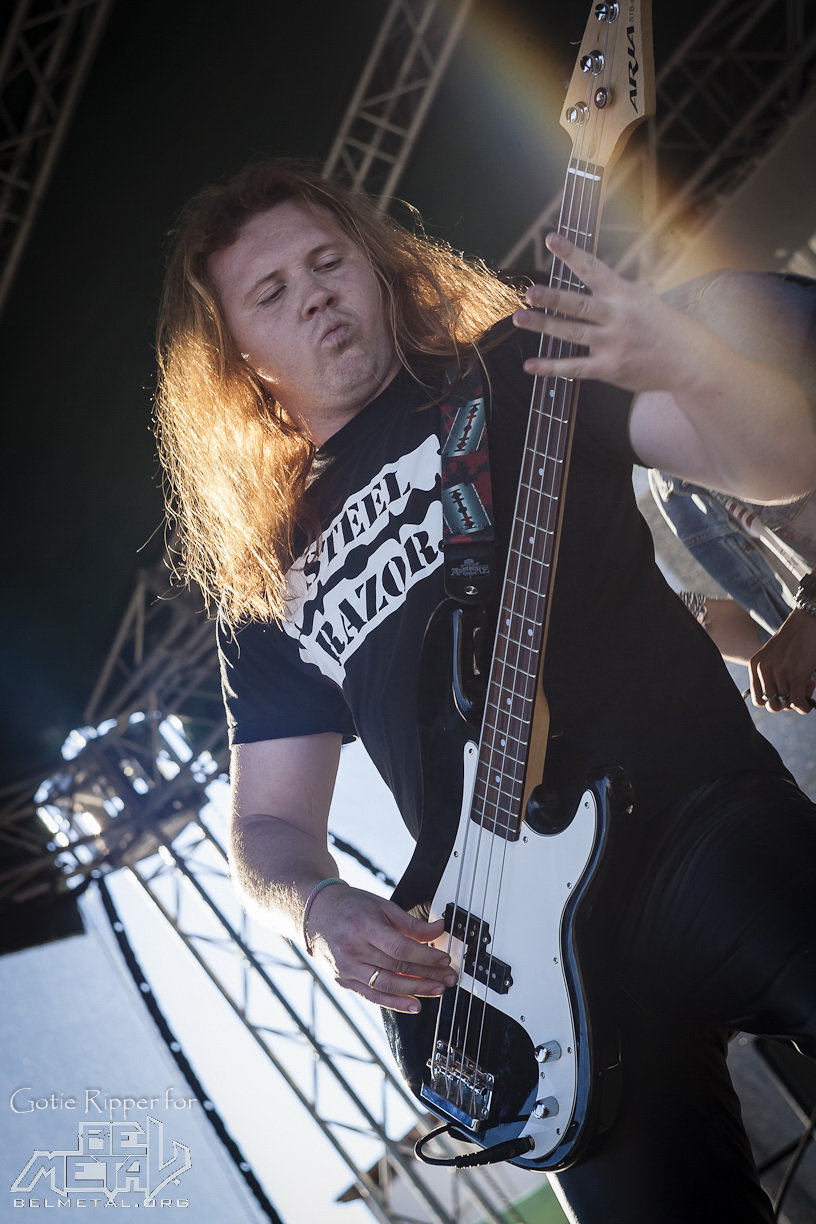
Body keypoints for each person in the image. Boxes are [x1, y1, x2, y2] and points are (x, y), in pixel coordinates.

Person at [154, 160, 816, 1224]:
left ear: (377, 266)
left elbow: (781, 464)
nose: (315, 295)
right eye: (271, 293)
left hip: (704, 829)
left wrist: (688, 360)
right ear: (240, 363)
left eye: (327, 262)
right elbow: (267, 828)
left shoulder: (518, 367)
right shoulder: (266, 580)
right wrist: (318, 910)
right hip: (523, 978)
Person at [648, 269, 816, 716]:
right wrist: (659, 612)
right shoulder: (669, 484)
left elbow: (802, 624)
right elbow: (768, 624)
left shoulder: (728, 319)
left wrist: (811, 613)